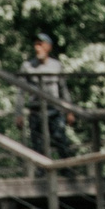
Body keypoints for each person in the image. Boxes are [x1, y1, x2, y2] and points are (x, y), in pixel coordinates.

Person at [23, 30, 78, 159]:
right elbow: (20, 91)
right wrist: (18, 113)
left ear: (48, 47)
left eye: (40, 44)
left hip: (54, 109)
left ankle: (67, 169)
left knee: (60, 139)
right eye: (36, 44)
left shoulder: (56, 65)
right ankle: (41, 173)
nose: (37, 48)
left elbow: (63, 89)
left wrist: (70, 111)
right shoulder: (27, 66)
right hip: (36, 110)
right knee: (37, 144)